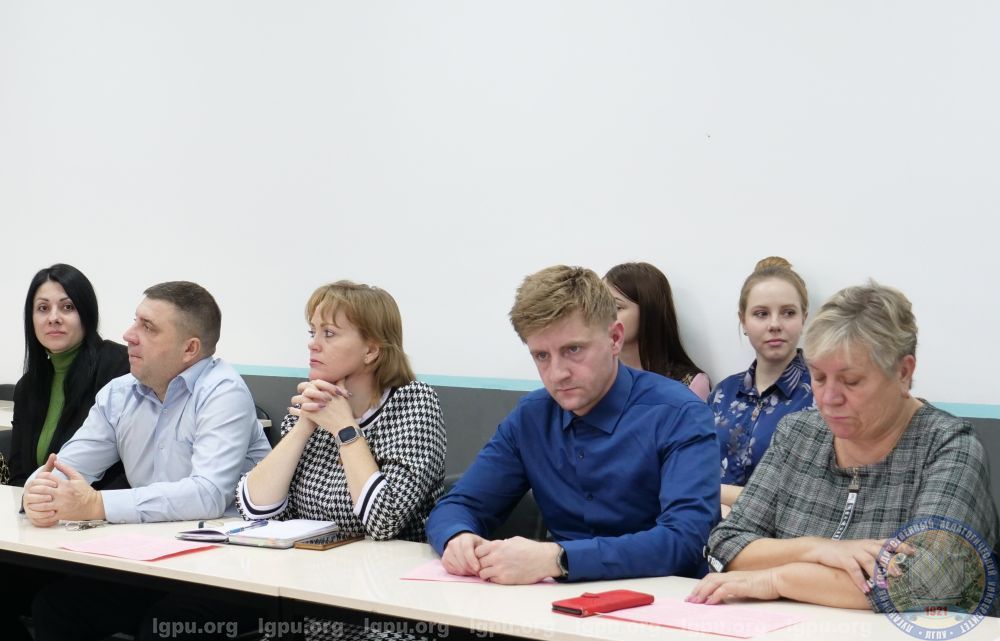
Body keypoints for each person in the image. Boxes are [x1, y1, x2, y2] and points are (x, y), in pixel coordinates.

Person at [689, 282, 1000, 613]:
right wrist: (816, 549)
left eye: (851, 381)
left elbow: (926, 580)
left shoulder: (949, 445)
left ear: (903, 372)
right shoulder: (797, 434)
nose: (829, 398)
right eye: (819, 378)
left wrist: (776, 579)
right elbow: (727, 543)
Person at [426, 265, 719, 584]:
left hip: (664, 598)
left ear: (615, 339)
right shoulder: (531, 417)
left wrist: (558, 559)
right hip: (557, 603)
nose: (557, 373)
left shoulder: (679, 413)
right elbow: (459, 505)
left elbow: (686, 540)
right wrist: (457, 537)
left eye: (573, 350)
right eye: (541, 356)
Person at [26, 281, 272, 641]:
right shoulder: (119, 393)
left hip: (230, 565)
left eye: (148, 327)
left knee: (165, 628)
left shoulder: (223, 391)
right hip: (155, 557)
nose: (129, 335)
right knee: (57, 607)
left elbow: (207, 495)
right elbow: (64, 468)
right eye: (135, 321)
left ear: (190, 349)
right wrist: (39, 494)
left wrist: (97, 504)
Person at [236, 280, 447, 641]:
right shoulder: (316, 402)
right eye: (313, 332)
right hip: (309, 596)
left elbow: (383, 520)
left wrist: (345, 429)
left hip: (387, 609)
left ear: (371, 350)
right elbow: (255, 511)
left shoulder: (414, 404)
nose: (313, 343)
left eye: (329, 333)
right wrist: (305, 424)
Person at [9, 264, 130, 487]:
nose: (53, 318)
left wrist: (84, 503)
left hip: (99, 506)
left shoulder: (120, 367)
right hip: (39, 506)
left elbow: (130, 469)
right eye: (43, 308)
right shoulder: (27, 386)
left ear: (86, 313)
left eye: (67, 307)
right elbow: (18, 473)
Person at [709, 257, 814, 516]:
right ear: (743, 320)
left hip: (782, 533)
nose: (775, 324)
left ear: (804, 318)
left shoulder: (822, 396)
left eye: (788, 313)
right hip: (707, 525)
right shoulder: (723, 392)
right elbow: (691, 469)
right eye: (761, 314)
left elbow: (809, 496)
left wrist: (715, 495)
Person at [604, 262, 710, 400]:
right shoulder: (594, 375)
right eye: (600, 306)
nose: (602, 315)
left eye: (617, 307)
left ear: (649, 312)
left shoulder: (689, 384)